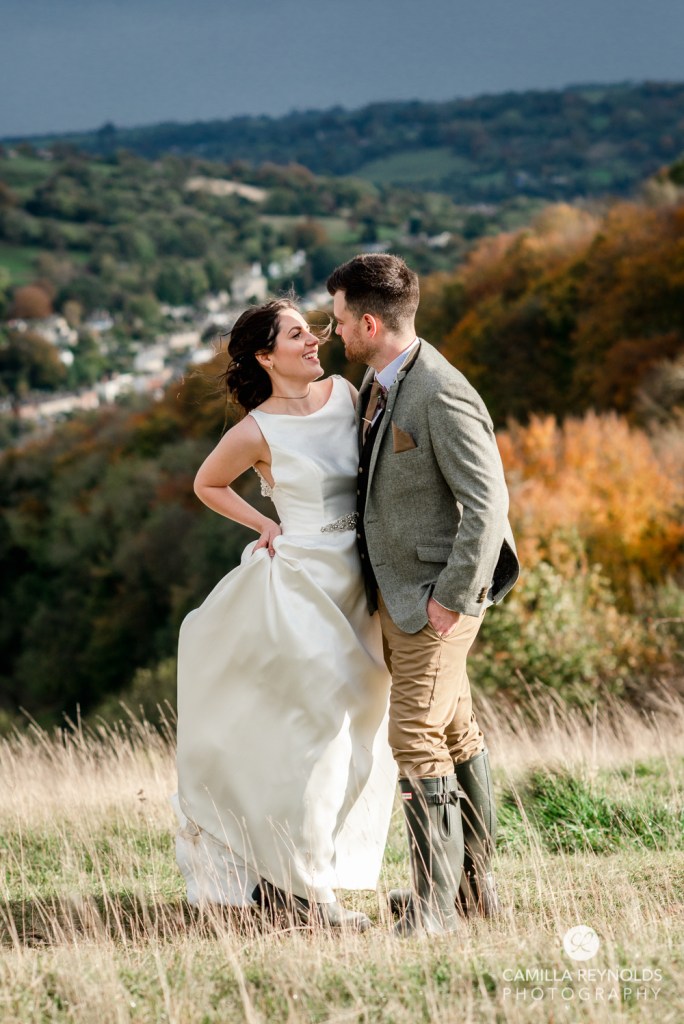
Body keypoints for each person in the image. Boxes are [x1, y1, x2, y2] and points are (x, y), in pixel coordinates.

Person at [172, 298, 397, 931]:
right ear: (267, 356)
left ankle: (289, 877)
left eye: (311, 330)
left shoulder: (346, 395)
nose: (314, 339)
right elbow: (207, 483)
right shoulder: (256, 430)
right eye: (297, 334)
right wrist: (263, 524)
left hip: (360, 584)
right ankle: (311, 896)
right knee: (315, 738)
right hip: (301, 589)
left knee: (359, 733)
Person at [326, 254, 520, 936]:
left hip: (437, 600)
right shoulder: (378, 382)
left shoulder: (440, 391)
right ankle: (471, 894)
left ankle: (435, 910)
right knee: (455, 731)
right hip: (403, 594)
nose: (333, 330)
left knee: (413, 736)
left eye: (339, 319)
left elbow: (488, 506)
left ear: (369, 324)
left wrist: (452, 598)